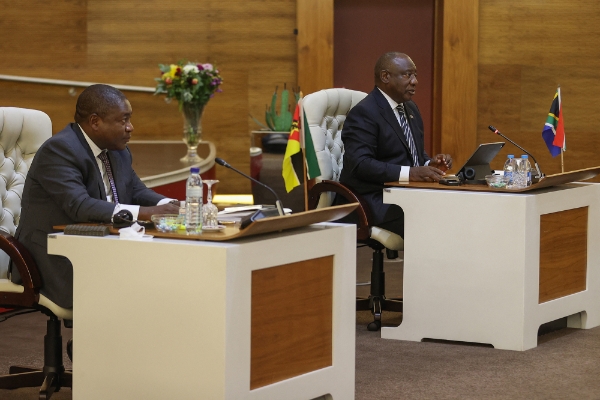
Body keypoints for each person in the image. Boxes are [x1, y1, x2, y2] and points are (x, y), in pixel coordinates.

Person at [11, 84, 179, 309]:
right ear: (95, 122)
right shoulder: (60, 150)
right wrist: (148, 213)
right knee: (136, 289)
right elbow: (80, 206)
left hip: (101, 245)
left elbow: (136, 190)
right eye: (123, 120)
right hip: (53, 257)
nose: (130, 127)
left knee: (161, 276)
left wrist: (170, 205)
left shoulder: (117, 149)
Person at [338, 51, 453, 237]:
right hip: (371, 198)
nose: (415, 81)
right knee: (433, 219)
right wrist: (411, 173)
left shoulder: (410, 107)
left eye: (415, 75)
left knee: (454, 207)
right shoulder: (365, 112)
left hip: (404, 193)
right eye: (407, 75)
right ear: (385, 77)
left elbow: (413, 153)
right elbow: (360, 164)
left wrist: (428, 164)